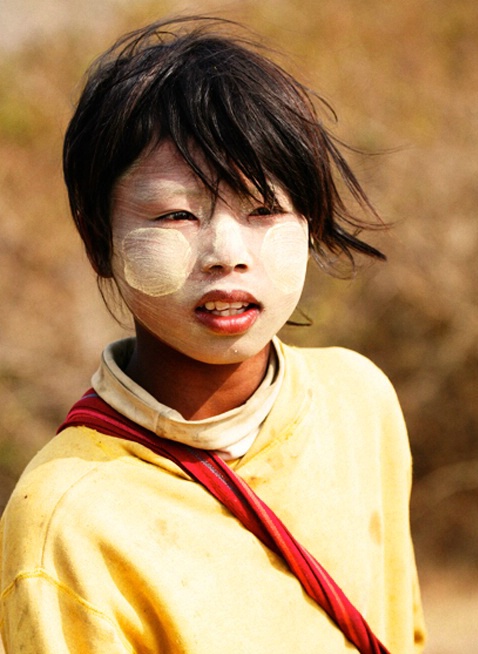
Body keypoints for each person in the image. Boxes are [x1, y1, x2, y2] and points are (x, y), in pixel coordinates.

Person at [0, 15, 426, 653]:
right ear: (99, 240)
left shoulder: (358, 401)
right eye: (176, 213)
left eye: (263, 208)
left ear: (307, 221)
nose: (227, 253)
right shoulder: (67, 517)